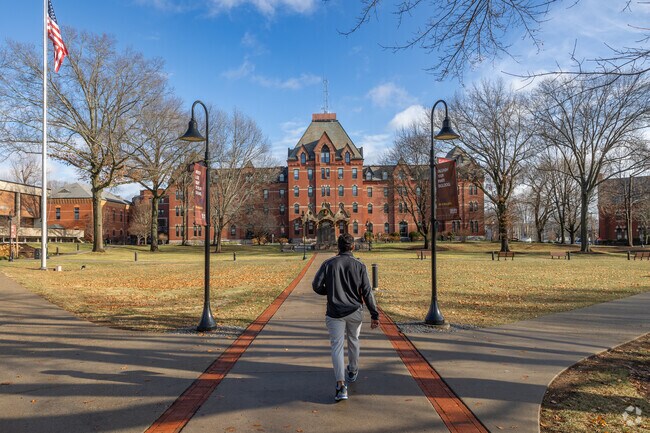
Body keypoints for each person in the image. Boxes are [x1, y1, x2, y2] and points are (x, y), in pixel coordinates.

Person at [312, 233, 380, 402]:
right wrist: (374, 314)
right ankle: (353, 370)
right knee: (354, 340)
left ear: (338, 247)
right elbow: (367, 292)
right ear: (353, 247)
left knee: (337, 346)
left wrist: (331, 292)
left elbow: (316, 286)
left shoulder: (328, 263)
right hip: (354, 310)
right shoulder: (359, 265)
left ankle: (341, 385)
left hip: (334, 312)